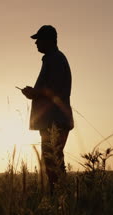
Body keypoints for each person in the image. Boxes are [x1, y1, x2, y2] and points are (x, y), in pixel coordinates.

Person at [21, 25, 74, 193]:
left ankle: (59, 199)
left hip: (54, 121)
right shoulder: (54, 59)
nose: (36, 43)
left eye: (39, 39)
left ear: (50, 40)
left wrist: (34, 93)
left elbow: (54, 90)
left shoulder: (55, 59)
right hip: (53, 121)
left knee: (53, 162)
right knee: (54, 161)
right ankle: (59, 198)